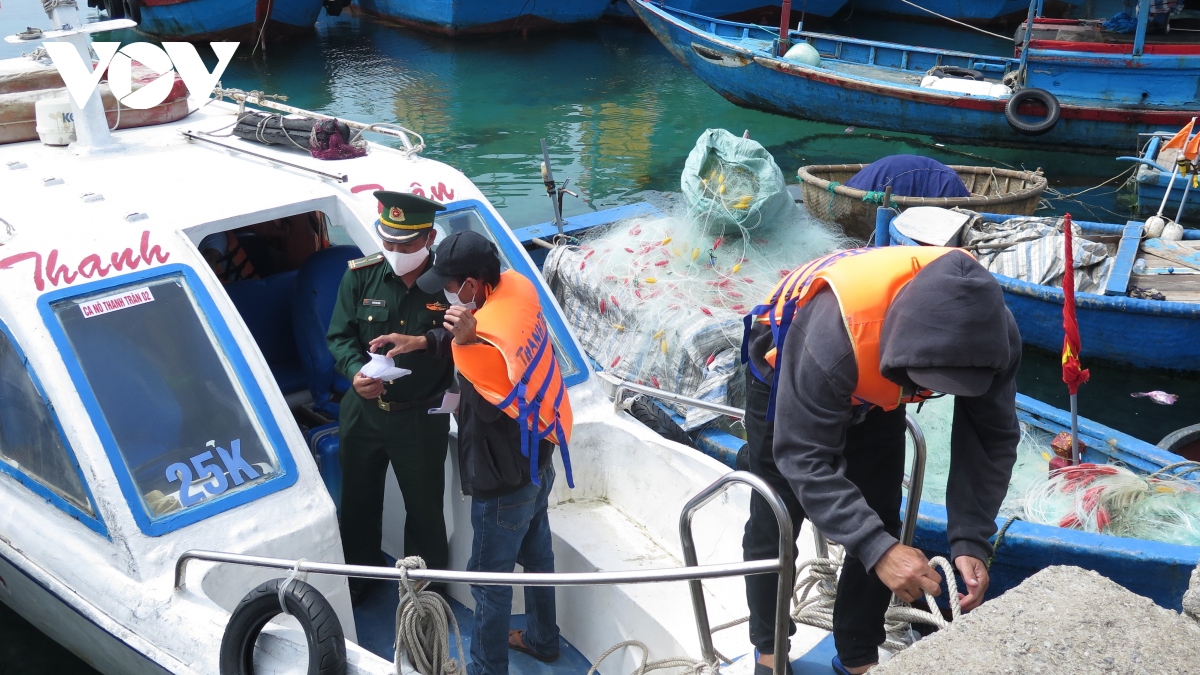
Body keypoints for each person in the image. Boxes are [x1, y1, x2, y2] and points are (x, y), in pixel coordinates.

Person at [739, 246, 1021, 675]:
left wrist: (970, 539)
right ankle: (769, 649)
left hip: (879, 385)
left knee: (881, 514)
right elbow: (802, 455)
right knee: (776, 515)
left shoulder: (994, 338)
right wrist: (877, 550)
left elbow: (991, 436)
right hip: (788, 363)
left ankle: (857, 657)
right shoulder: (832, 339)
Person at [411, 230, 575, 675]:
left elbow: (484, 379)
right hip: (540, 459)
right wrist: (422, 341)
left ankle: (486, 668)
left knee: (489, 581)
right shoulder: (516, 289)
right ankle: (543, 638)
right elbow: (489, 338)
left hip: (502, 482)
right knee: (539, 558)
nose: (448, 294)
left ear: (473, 285)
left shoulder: (486, 343)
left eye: (452, 284)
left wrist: (463, 343)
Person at [326, 191, 454, 605]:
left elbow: (469, 339)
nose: (396, 252)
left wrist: (422, 342)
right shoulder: (360, 276)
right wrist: (353, 372)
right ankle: (359, 578)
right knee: (358, 501)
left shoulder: (450, 284)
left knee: (424, 509)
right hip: (364, 412)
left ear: (430, 237)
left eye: (408, 244)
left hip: (420, 415)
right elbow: (339, 336)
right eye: (389, 242)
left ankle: (424, 590)